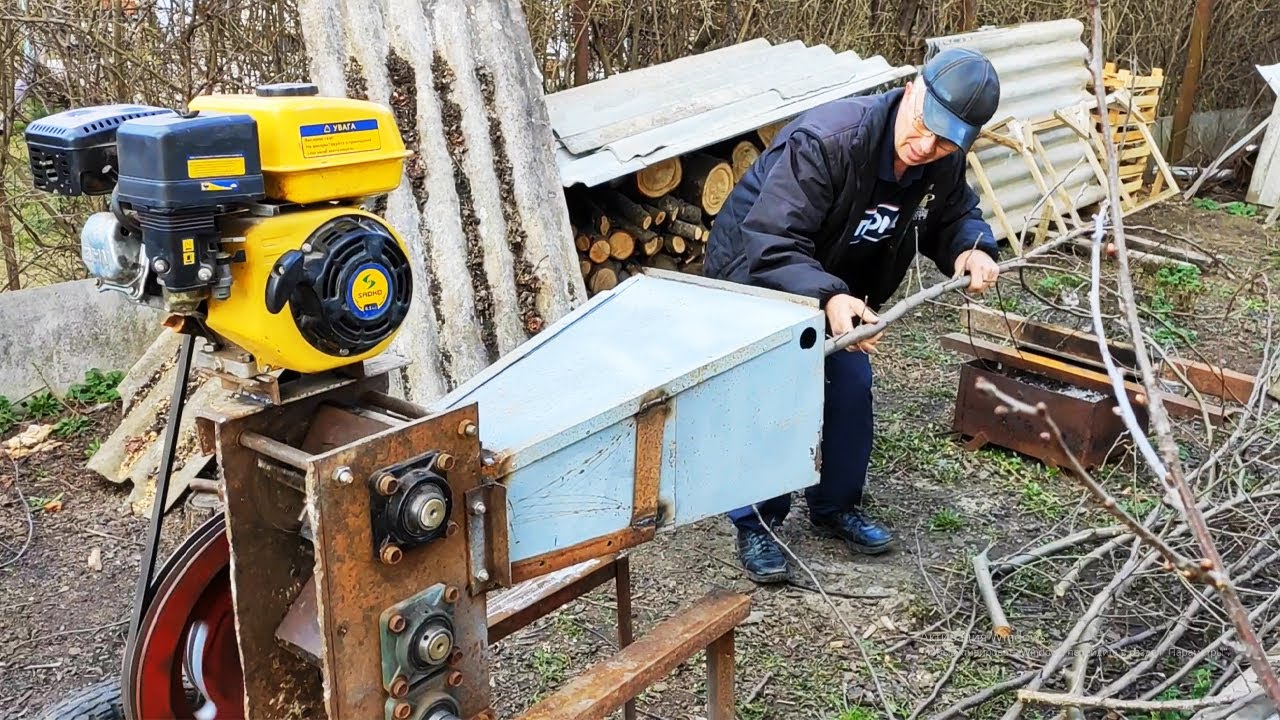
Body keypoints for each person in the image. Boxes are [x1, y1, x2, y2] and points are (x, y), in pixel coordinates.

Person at [702, 47, 1005, 583]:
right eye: (923, 129)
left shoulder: (942, 156)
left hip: (834, 283)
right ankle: (757, 523)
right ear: (913, 89)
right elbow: (771, 237)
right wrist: (826, 296)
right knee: (778, 385)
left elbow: (955, 215)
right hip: (756, 272)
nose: (925, 147)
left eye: (943, 142)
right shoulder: (827, 141)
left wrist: (971, 247)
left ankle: (834, 506)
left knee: (848, 379)